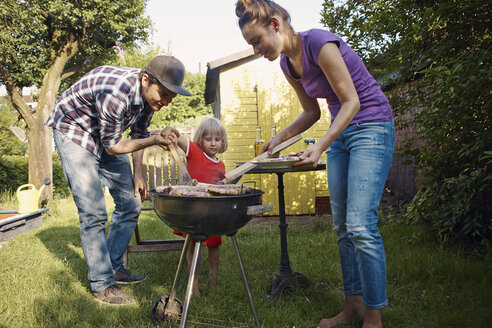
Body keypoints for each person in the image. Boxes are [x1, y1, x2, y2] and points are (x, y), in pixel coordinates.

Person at [235, 1, 395, 327]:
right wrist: (279, 138)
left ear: (276, 25)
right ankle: (352, 307)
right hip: (341, 135)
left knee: (361, 226)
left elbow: (352, 101)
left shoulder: (319, 43)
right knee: (342, 228)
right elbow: (312, 112)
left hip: (371, 127)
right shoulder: (287, 64)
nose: (255, 50)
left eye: (256, 40)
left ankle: (374, 318)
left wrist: (321, 145)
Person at [45, 55, 192, 306]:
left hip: (104, 136)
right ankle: (101, 285)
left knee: (131, 202)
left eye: (171, 97)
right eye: (164, 94)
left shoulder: (148, 100)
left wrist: (137, 174)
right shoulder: (116, 93)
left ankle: (113, 266)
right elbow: (114, 146)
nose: (166, 102)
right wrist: (156, 140)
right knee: (93, 213)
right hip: (74, 132)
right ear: (146, 80)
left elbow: (139, 134)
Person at [171, 117, 228, 296]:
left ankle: (214, 280)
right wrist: (168, 130)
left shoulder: (221, 165)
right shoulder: (193, 151)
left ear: (223, 141)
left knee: (214, 244)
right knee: (192, 244)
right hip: (193, 210)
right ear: (200, 139)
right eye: (208, 139)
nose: (213, 143)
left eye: (217, 139)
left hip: (213, 212)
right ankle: (193, 284)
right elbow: (176, 136)